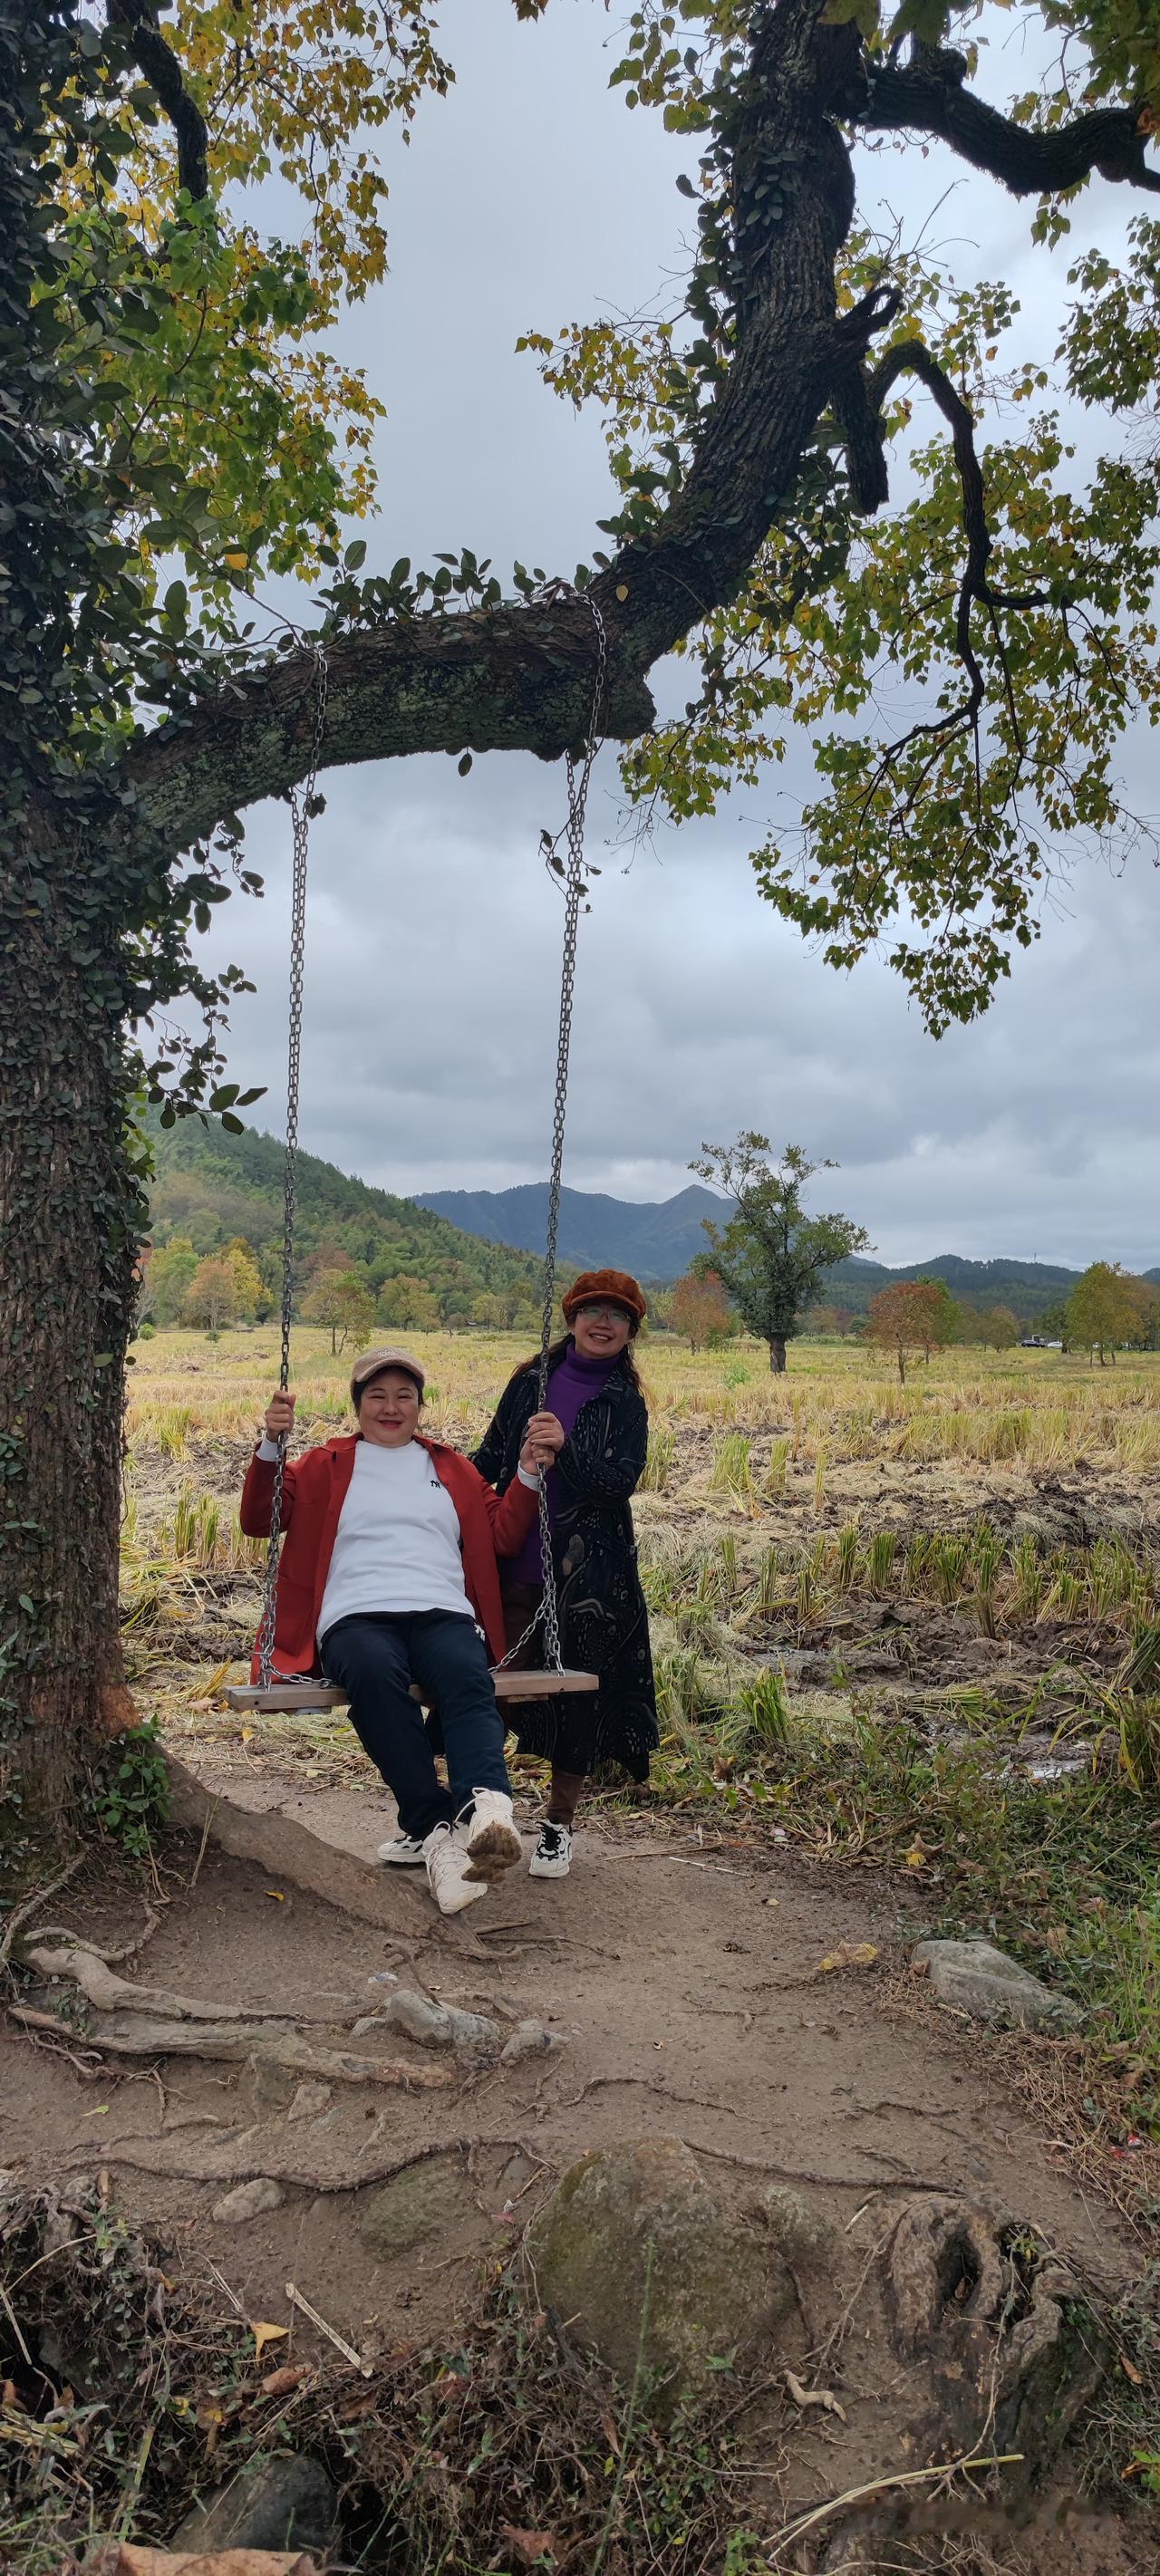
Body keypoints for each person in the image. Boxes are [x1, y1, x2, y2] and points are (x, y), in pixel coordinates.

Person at [239, 1345, 555, 1916]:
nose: (391, 1407)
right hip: (355, 1614)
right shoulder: (321, 1464)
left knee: (465, 1671)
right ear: (358, 1405)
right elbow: (260, 1520)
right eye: (377, 1396)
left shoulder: (452, 1467)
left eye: (404, 1396)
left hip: (439, 1608)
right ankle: (436, 1833)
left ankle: (485, 1806)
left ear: (419, 1405)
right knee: (370, 1674)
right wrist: (270, 1444)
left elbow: (502, 1538)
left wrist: (529, 1473)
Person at [472, 1269, 658, 1878]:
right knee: (487, 1691)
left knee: (579, 1697)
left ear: (630, 1330)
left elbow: (619, 1484)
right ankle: (475, 1814)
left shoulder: (625, 1402)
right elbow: (490, 1458)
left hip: (591, 1583)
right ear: (573, 1319)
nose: (602, 1322)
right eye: (591, 1310)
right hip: (516, 1564)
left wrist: (566, 1447)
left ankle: (557, 1826)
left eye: (617, 1314)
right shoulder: (531, 1382)